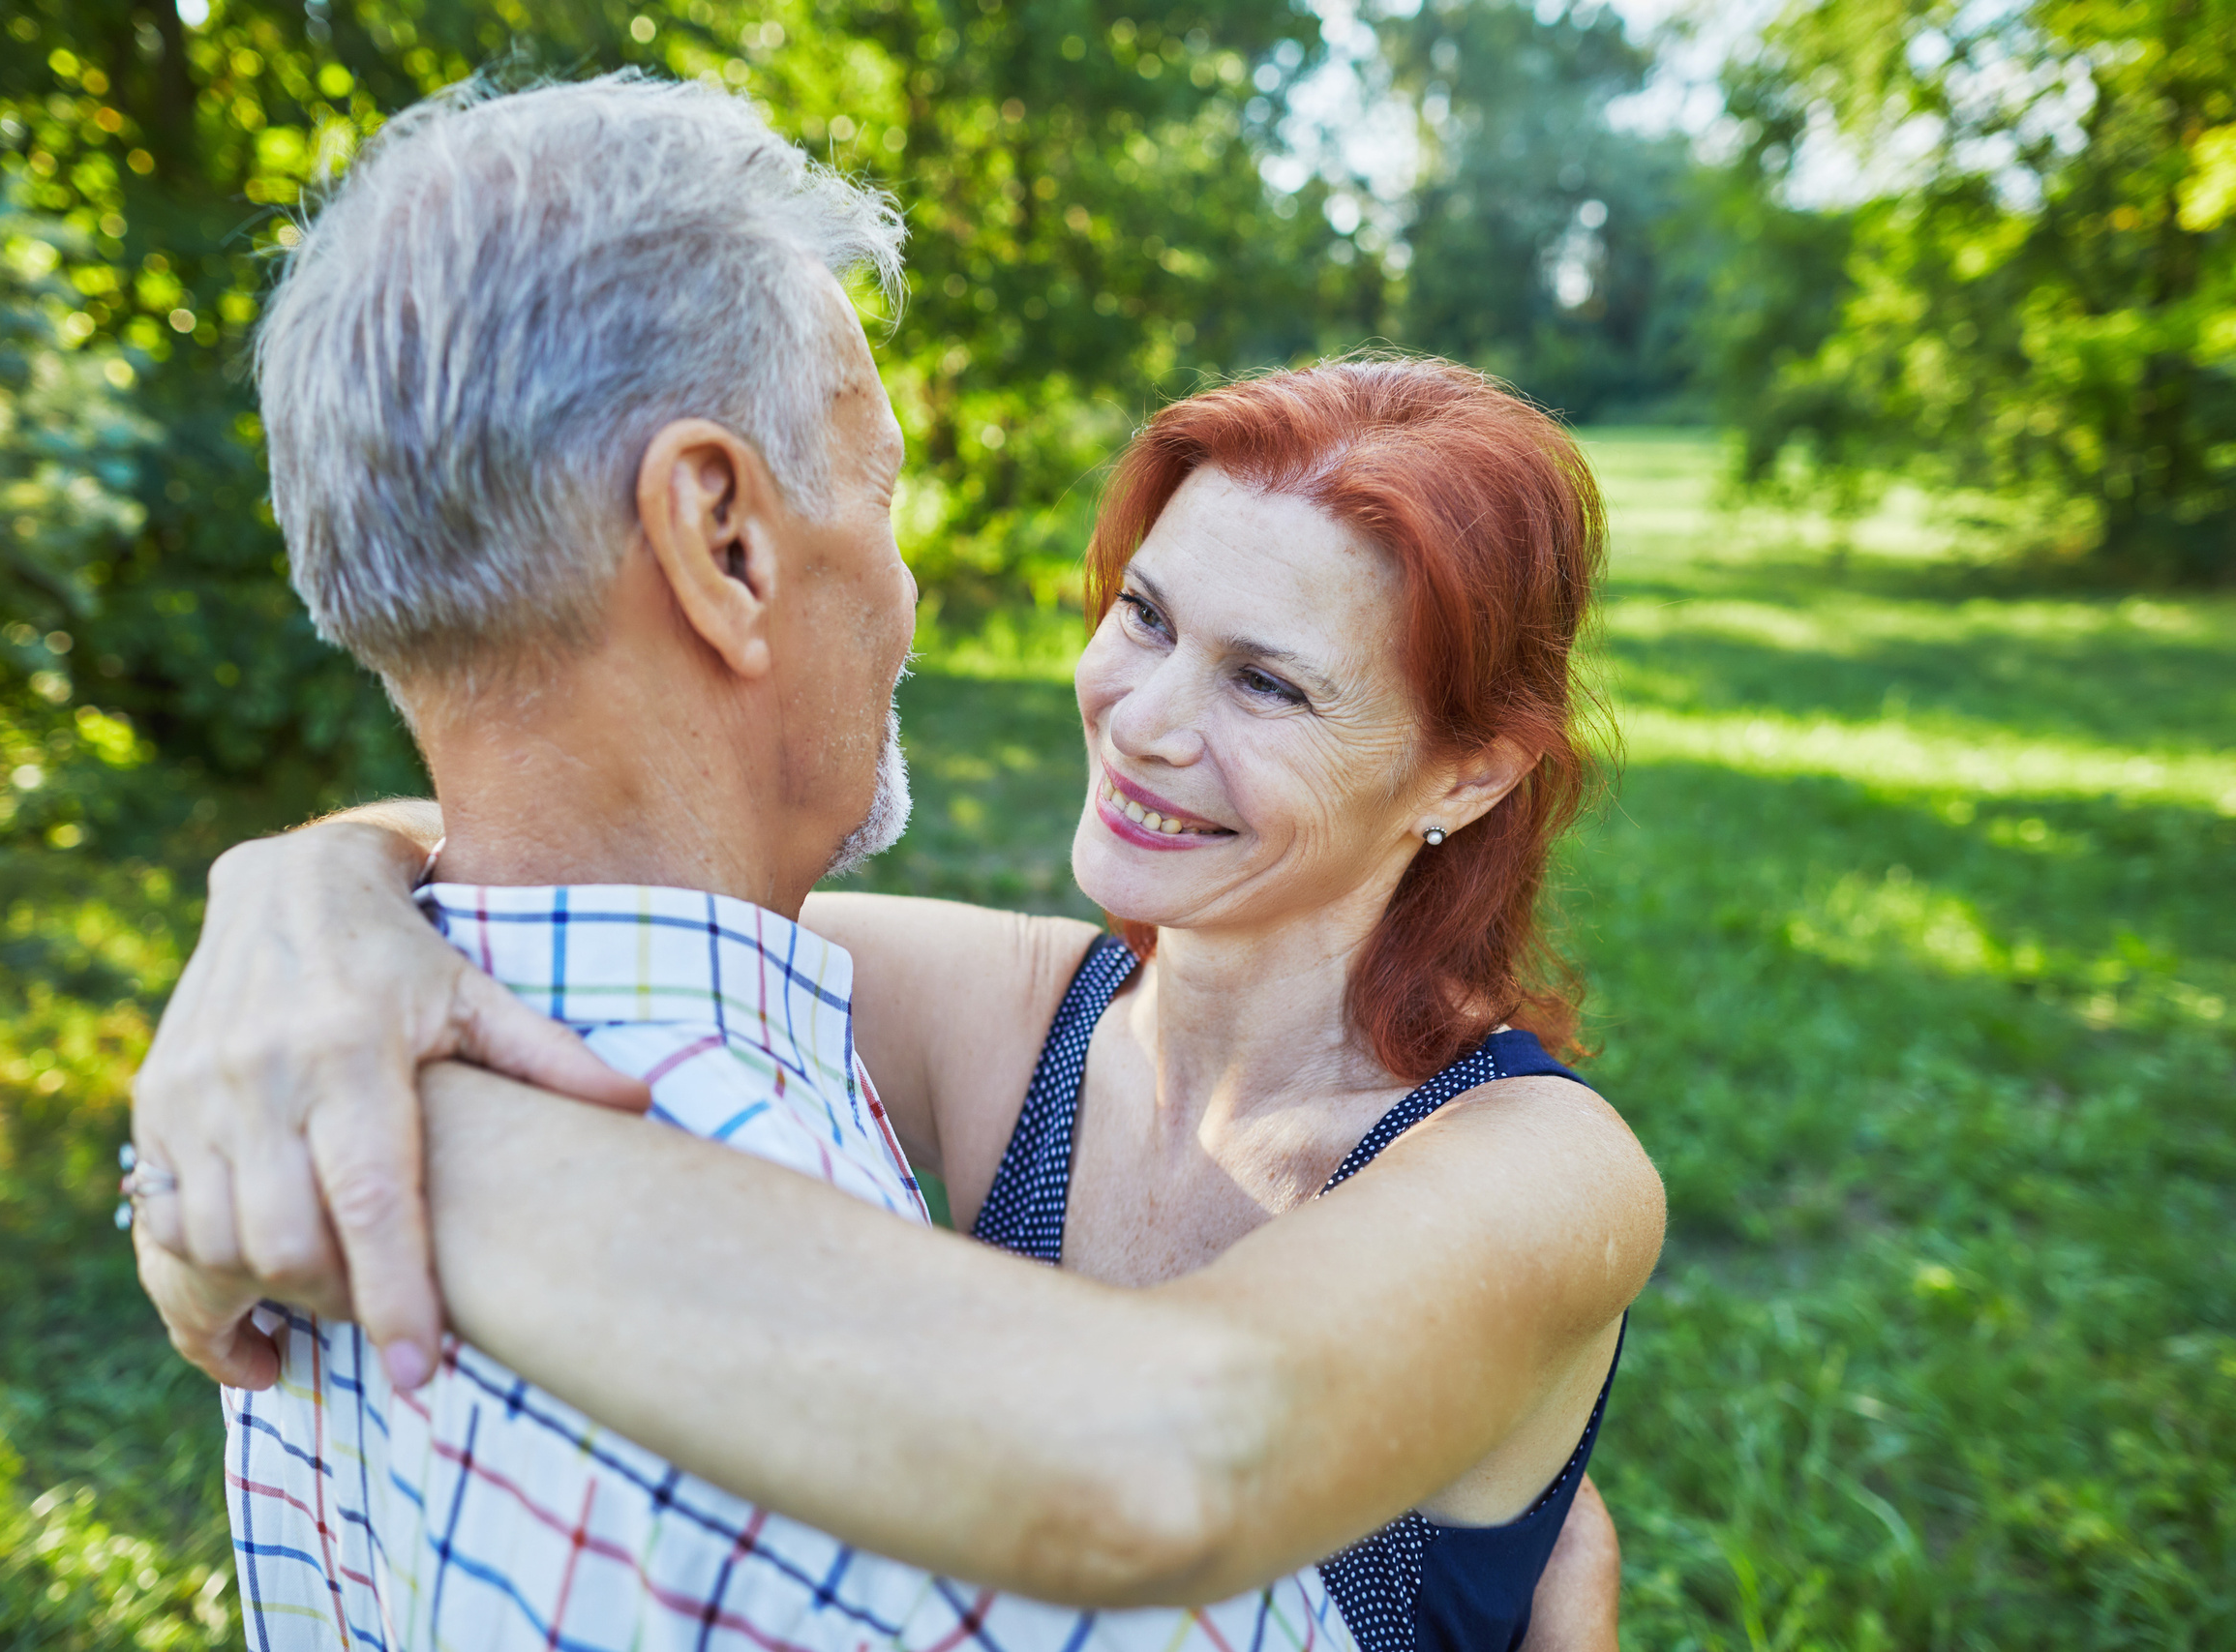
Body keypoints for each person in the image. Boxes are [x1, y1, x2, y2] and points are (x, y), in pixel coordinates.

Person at [130, 73, 1659, 1652]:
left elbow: (1178, 1453)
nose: (1141, 720)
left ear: (1470, 772)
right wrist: (298, 896)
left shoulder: (1546, 1168)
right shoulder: (1013, 1017)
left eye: (1267, 684)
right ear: (720, 544)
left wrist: (392, 1163)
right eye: (1142, 616)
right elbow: (571, 891)